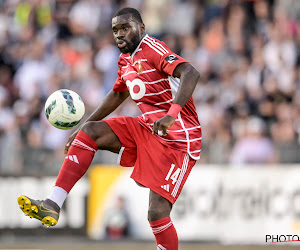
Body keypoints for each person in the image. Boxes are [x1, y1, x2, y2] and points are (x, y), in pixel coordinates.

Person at [18, 7, 201, 250]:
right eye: (115, 30)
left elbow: (190, 72)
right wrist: (82, 126)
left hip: (178, 137)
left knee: (156, 213)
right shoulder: (126, 60)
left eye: (125, 28)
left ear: (141, 28)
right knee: (91, 132)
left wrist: (171, 115)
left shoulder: (152, 49)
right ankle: (52, 204)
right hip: (148, 128)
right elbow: (118, 94)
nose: (119, 34)